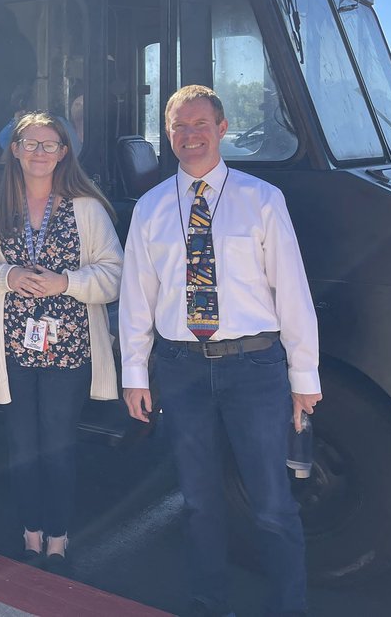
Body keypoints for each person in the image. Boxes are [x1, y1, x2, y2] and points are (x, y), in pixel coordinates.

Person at [119, 85, 322, 617]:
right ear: (168, 135)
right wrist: (135, 373)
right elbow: (137, 296)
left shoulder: (262, 199)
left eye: (200, 124)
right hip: (181, 368)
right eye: (179, 127)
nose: (190, 135)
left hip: (254, 367)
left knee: (272, 503)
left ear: (222, 129)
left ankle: (289, 607)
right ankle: (208, 602)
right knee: (198, 501)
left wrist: (304, 376)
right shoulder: (150, 208)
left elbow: (291, 289)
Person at [0, 113, 122, 569]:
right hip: (14, 349)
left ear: (64, 153)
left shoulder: (87, 209)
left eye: (49, 144)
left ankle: (58, 536)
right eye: (30, 143)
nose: (39, 152)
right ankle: (30, 532)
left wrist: (66, 283)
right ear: (15, 150)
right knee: (21, 445)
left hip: (69, 351)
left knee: (58, 445)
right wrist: (9, 275)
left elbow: (114, 275)